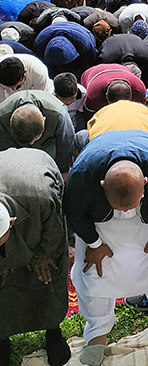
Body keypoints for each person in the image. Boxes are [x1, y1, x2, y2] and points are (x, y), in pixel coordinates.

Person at [63, 130, 148, 365]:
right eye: (120, 206)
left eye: (130, 205)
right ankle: (97, 333)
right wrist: (94, 243)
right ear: (102, 185)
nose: (125, 211)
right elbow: (73, 211)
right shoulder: (82, 177)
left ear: (146, 184)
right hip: (100, 225)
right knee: (94, 271)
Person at [0, 148, 70, 366]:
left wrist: (41, 254)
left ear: (11, 222)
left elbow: (55, 228)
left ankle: (53, 332)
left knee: (47, 275)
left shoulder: (41, 195)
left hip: (40, 225)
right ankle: (2, 337)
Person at [0, 90, 76, 175]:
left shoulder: (59, 115)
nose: (32, 143)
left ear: (44, 120)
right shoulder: (1, 120)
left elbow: (66, 145)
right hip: (17, 151)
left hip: (49, 150)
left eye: (35, 139)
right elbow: (5, 152)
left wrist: (63, 169)